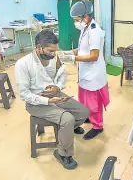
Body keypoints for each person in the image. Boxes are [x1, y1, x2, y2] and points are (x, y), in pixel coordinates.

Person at [14, 30, 89, 170]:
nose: (53, 54)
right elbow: (24, 94)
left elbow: (62, 75)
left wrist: (57, 86)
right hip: (36, 102)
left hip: (55, 94)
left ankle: (67, 131)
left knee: (84, 112)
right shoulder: (23, 64)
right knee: (67, 119)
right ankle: (63, 153)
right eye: (50, 51)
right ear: (38, 47)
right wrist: (48, 101)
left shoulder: (54, 58)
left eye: (55, 51)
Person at [59, 0, 110, 140]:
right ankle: (88, 117)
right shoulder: (85, 29)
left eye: (77, 19)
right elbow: (82, 50)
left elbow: (94, 56)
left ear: (86, 16)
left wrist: (74, 59)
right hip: (85, 73)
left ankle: (98, 126)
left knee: (94, 102)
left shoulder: (94, 31)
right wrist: (69, 53)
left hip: (93, 74)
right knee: (84, 99)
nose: (76, 22)